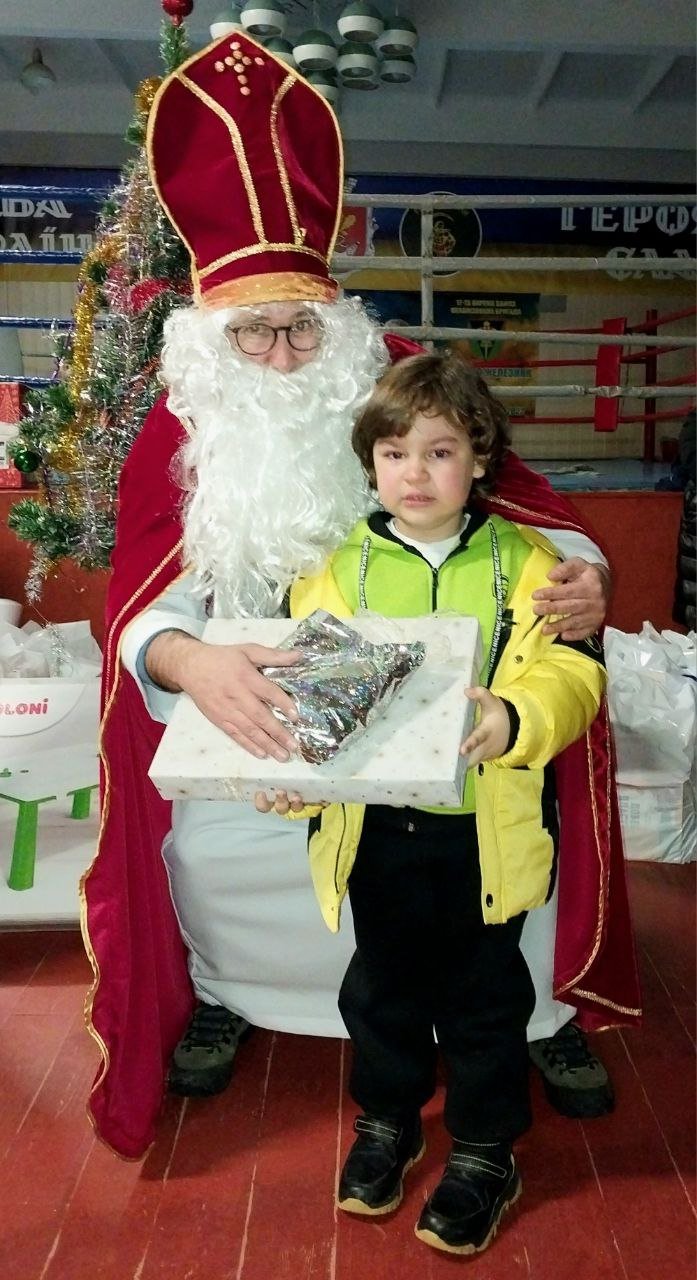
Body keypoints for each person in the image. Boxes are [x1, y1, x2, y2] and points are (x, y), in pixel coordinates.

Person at [81, 29, 640, 1161]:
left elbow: (525, 506)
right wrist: (191, 663)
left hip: (448, 706)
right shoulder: (178, 431)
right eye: (254, 332)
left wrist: (587, 572)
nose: (285, 357)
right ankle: (231, 990)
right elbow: (137, 602)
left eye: (301, 326)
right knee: (210, 849)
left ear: (336, 326)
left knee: (499, 851)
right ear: (211, 339)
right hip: (257, 709)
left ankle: (537, 1013)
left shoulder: (391, 387)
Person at [255, 352, 608, 1255]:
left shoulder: (531, 563)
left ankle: (486, 1148)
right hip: (372, 831)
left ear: (480, 458)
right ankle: (388, 1120)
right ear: (369, 463)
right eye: (394, 454)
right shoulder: (328, 570)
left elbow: (572, 674)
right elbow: (299, 693)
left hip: (483, 833)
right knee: (381, 988)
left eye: (440, 452)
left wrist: (513, 714)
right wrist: (291, 780)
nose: (414, 474)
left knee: (485, 996)